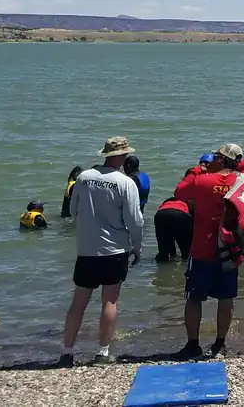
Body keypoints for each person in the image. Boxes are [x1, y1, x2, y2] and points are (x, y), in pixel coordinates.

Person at [172, 142, 244, 360]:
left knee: (194, 299)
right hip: (229, 249)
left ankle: (193, 346)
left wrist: (199, 168)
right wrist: (234, 164)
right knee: (226, 299)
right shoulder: (243, 181)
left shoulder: (202, 180)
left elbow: (179, 192)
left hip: (202, 250)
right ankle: (219, 345)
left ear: (220, 160)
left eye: (217, 156)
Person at [60, 136, 144, 367]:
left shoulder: (84, 177)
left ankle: (66, 353)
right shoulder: (126, 182)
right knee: (110, 301)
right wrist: (136, 246)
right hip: (114, 249)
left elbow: (73, 210)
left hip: (86, 249)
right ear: (122, 156)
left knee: (78, 302)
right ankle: (102, 353)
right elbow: (135, 220)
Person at [154, 197, 194, 263]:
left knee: (163, 251)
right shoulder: (188, 203)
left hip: (161, 215)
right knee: (186, 252)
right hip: (182, 215)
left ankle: (163, 267)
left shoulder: (167, 202)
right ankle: (184, 267)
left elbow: (169, 237)